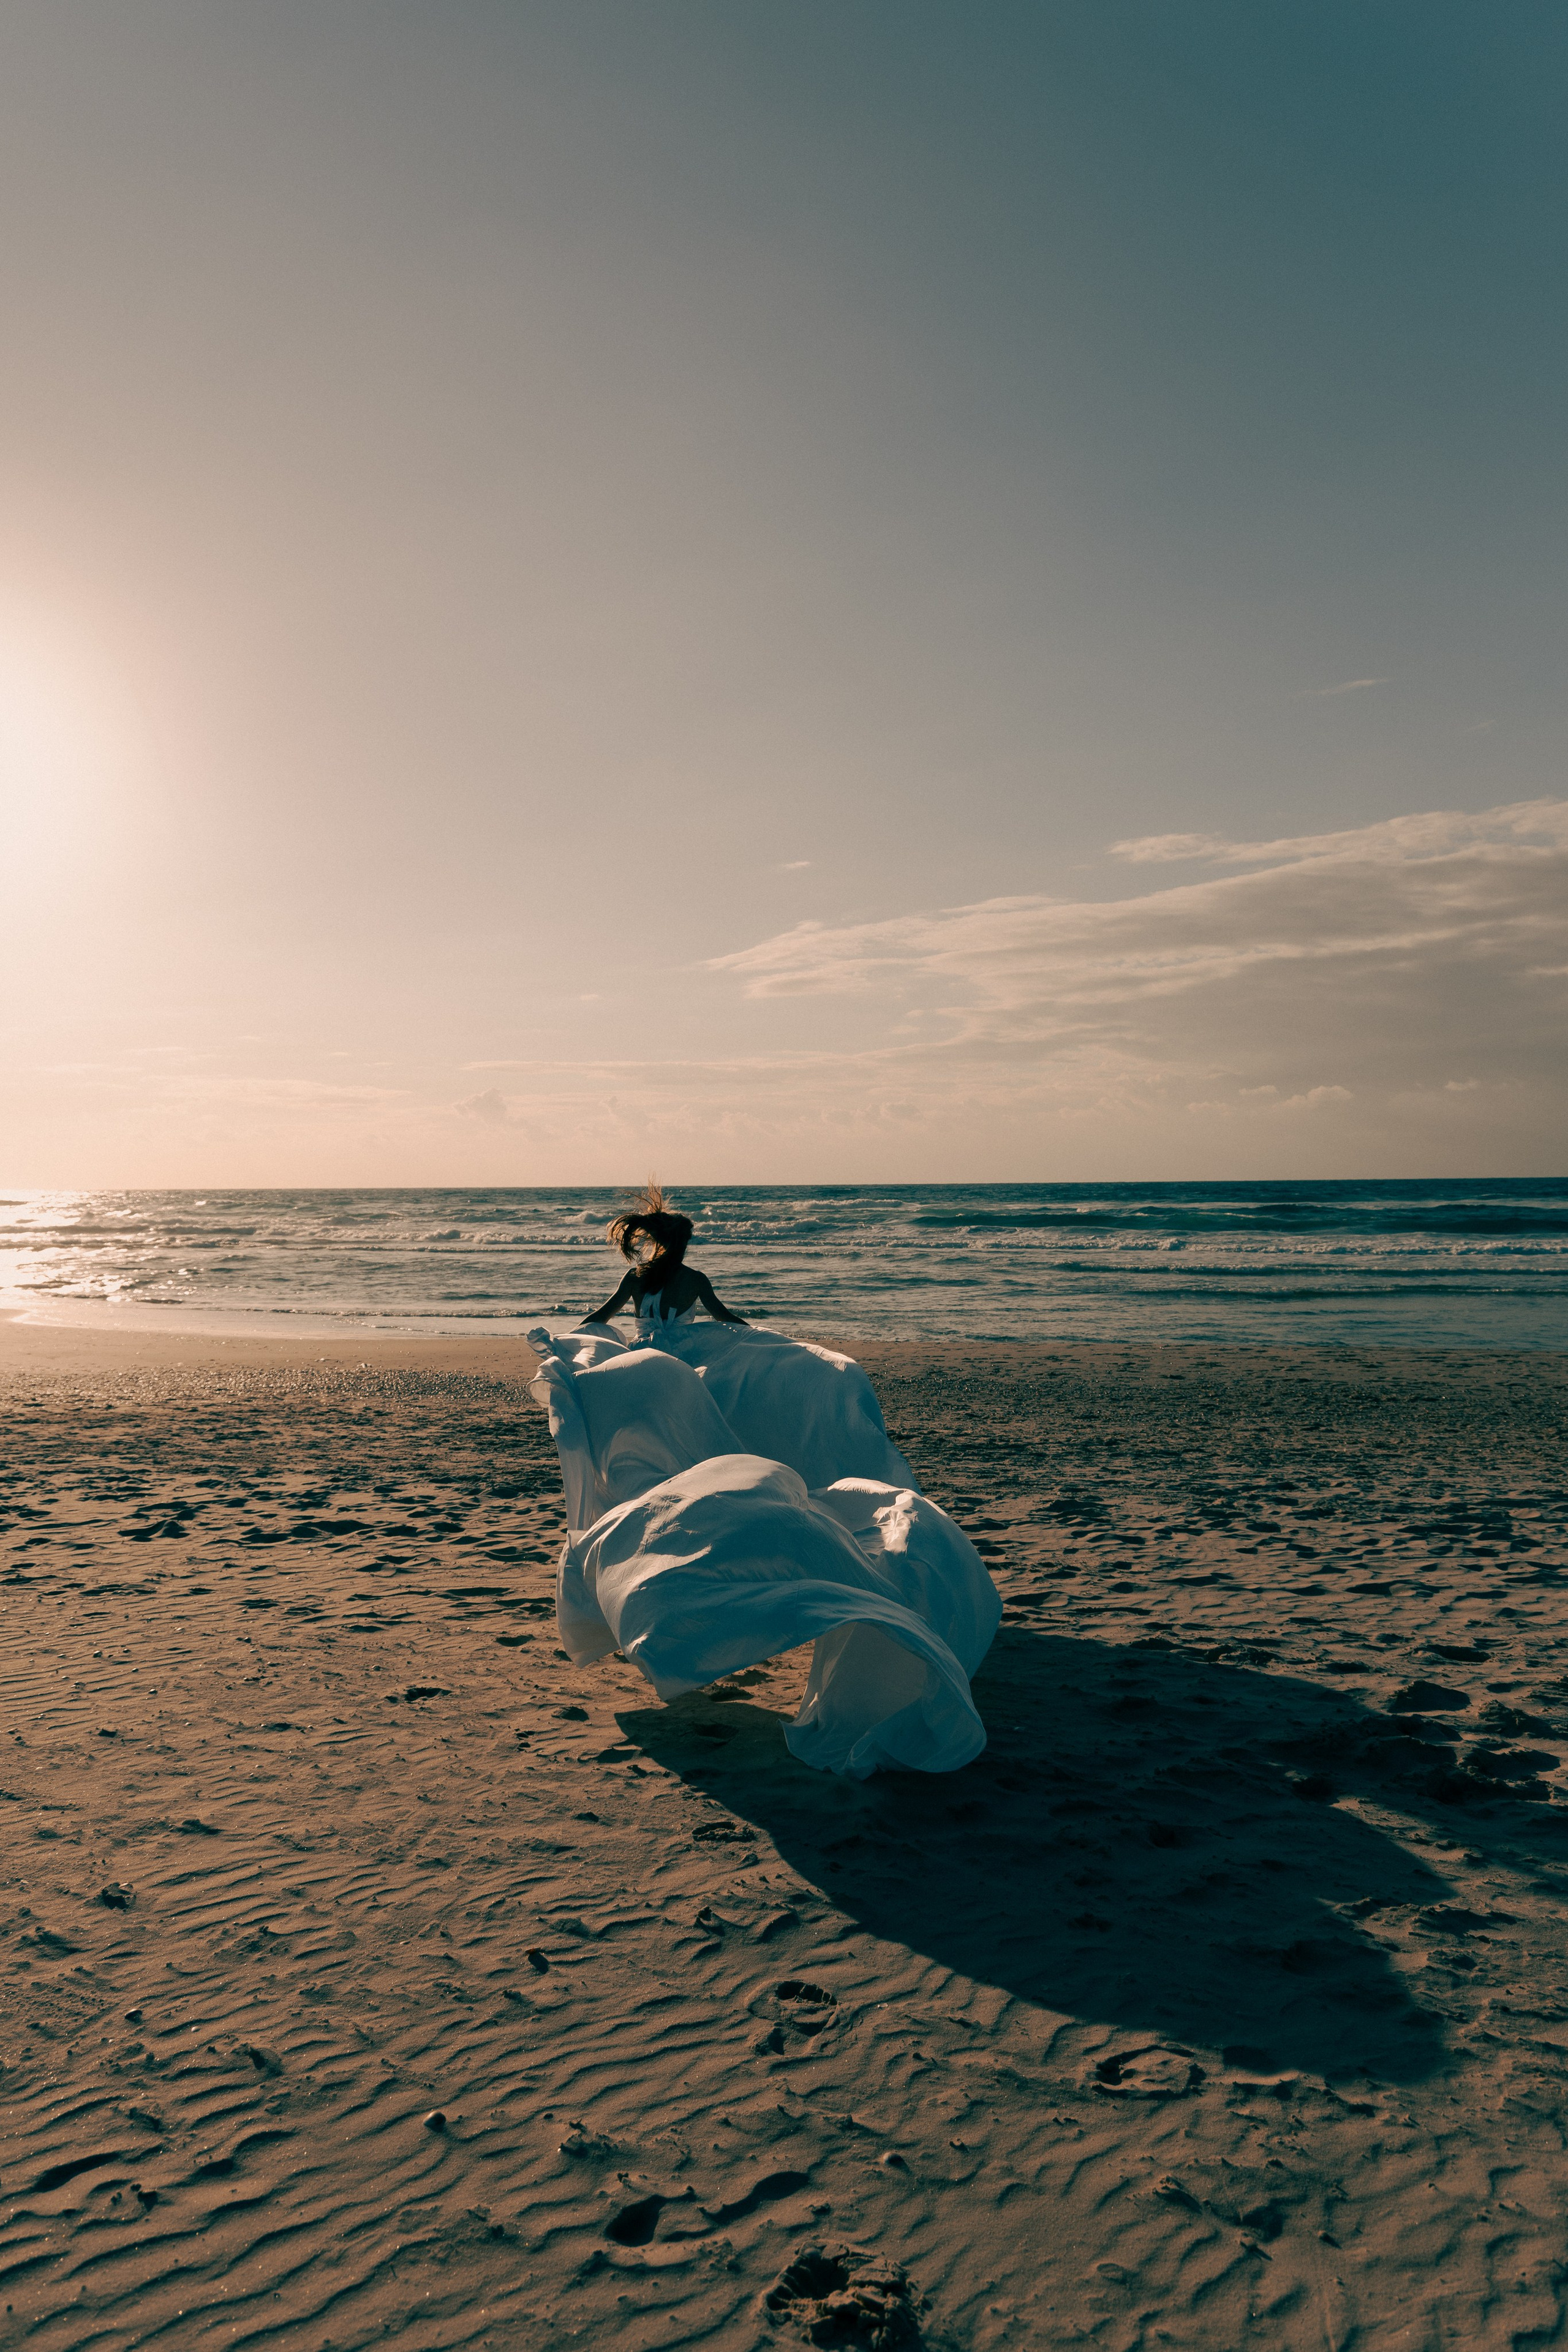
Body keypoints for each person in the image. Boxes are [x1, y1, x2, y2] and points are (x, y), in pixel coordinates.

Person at [527, 1182, 1001, 1777]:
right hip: (694, 1355)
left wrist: (576, 1347)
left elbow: (600, 1320)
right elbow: (726, 1320)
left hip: (659, 1367)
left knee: (673, 1438)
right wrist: (767, 1343)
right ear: (681, 1242)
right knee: (730, 1423)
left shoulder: (638, 1280)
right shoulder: (691, 1278)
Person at [579, 1183, 750, 1331]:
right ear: (685, 1243)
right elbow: (725, 1318)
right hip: (682, 1355)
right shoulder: (696, 1280)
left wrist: (568, 1338)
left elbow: (601, 1317)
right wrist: (761, 1336)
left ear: (656, 1241)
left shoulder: (634, 1277)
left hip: (641, 1354)